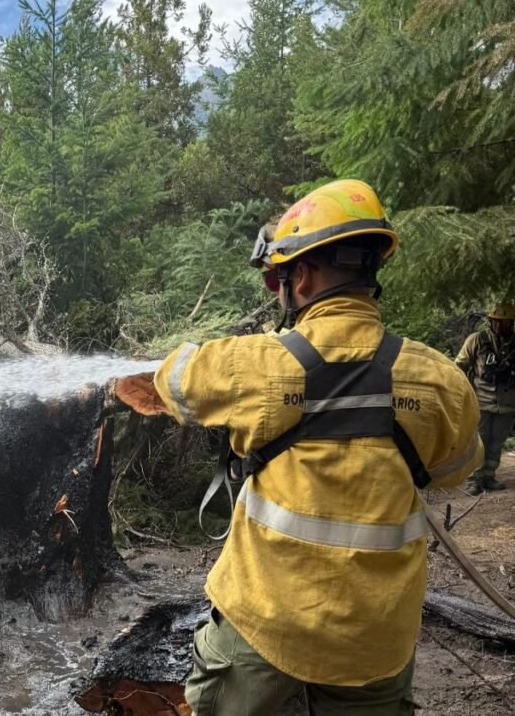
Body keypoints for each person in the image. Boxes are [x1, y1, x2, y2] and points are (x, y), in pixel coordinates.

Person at [146, 180, 483, 714]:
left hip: (267, 623)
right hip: (377, 635)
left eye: (278, 278)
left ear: (299, 277)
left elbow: (175, 380)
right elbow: (454, 471)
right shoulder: (443, 381)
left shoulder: (252, 364)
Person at [455, 303, 515, 494]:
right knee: (478, 441)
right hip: (480, 400)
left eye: (502, 322)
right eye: (495, 321)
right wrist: (462, 393)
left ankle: (489, 476)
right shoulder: (477, 340)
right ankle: (473, 479)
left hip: (508, 403)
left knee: (497, 442)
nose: (498, 325)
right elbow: (459, 367)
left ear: (511, 322)